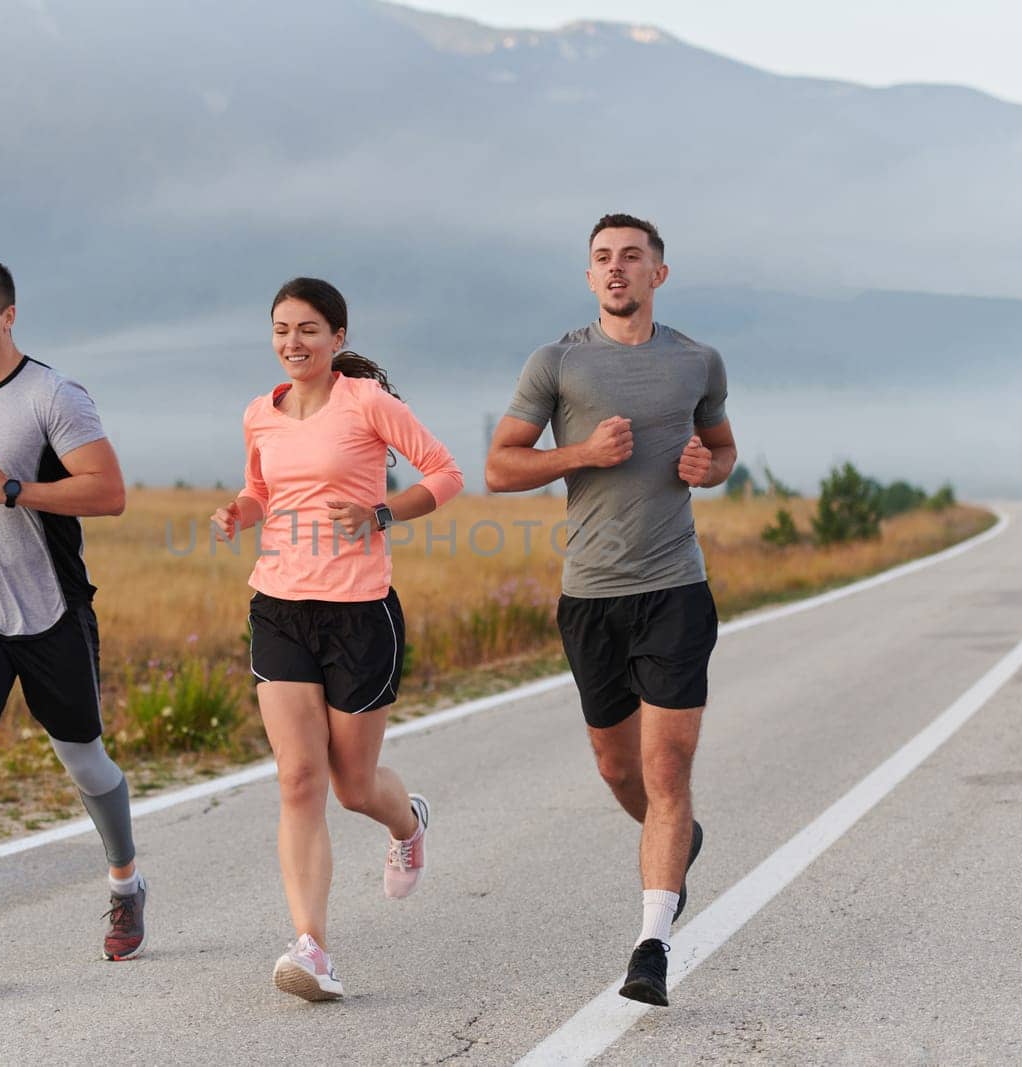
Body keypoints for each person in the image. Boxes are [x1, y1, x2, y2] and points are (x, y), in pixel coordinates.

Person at [484, 214, 736, 1006]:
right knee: (618, 767)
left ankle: (652, 943)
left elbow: (723, 449)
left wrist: (711, 465)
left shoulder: (698, 360)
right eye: (603, 259)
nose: (617, 269)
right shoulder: (557, 361)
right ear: (589, 278)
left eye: (632, 257)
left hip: (675, 590)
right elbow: (499, 467)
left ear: (659, 273)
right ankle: (678, 836)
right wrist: (583, 455)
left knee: (666, 768)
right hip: (591, 595)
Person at [210, 277, 463, 1001]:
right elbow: (263, 489)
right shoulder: (261, 412)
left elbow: (446, 474)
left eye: (309, 330)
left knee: (354, 786)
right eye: (282, 330)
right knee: (299, 778)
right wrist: (240, 510)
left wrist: (381, 512)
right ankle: (312, 947)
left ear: (338, 338)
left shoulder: (368, 403)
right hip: (280, 605)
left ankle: (407, 821)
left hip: (359, 613)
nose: (294, 342)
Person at [0, 256, 144, 986]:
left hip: (49, 612)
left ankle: (126, 885)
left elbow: (108, 493)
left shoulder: (54, 395)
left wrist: (16, 488)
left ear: (8, 316)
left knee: (84, 762)